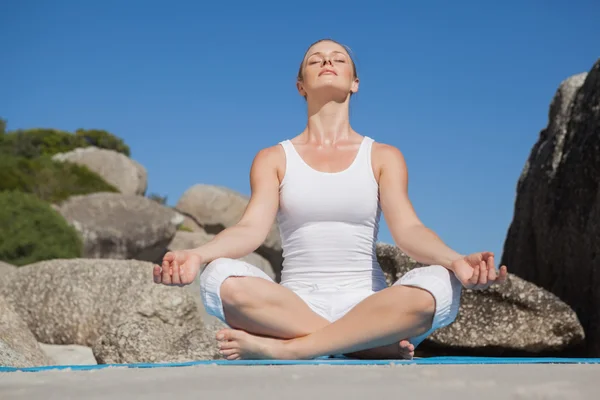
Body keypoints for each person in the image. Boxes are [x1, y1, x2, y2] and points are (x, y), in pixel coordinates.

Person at [153, 38, 508, 361]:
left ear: (354, 83)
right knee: (219, 275)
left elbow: (409, 230)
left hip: (368, 304)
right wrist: (197, 255)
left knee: (441, 282)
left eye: (338, 59)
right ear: (300, 86)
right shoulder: (274, 158)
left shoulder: (383, 156)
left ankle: (291, 348)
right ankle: (364, 343)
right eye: (315, 60)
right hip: (293, 304)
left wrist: (456, 260)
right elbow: (249, 229)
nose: (327, 62)